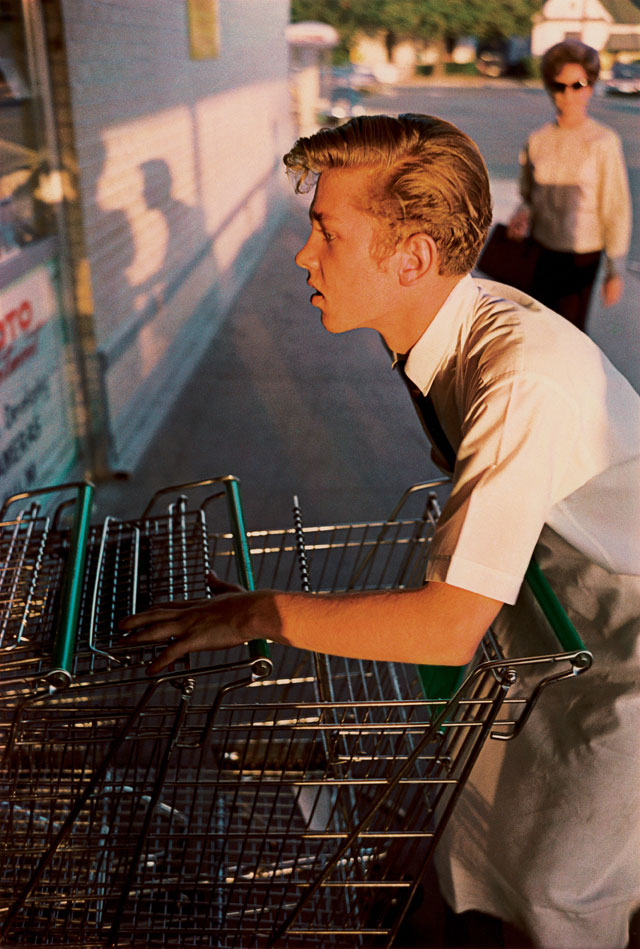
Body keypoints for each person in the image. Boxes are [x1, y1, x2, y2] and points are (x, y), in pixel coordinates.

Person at [121, 114, 640, 948]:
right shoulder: (438, 335)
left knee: (562, 890)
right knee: (486, 834)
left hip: (626, 640)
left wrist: (262, 612)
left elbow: (445, 625)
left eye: (327, 231)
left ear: (412, 258)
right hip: (557, 604)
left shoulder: (519, 380)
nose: (304, 254)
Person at [507, 39, 632, 332]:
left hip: (582, 255)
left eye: (577, 85)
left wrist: (615, 270)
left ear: (590, 87)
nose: (568, 95)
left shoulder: (604, 141)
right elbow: (528, 194)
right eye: (558, 86)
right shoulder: (537, 139)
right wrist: (522, 213)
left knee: (570, 334)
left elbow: (616, 207)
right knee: (537, 330)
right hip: (540, 249)